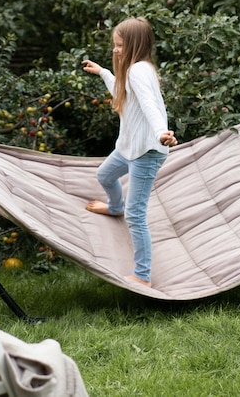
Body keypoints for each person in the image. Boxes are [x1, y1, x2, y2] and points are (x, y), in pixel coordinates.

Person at [82, 17, 177, 288]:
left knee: (135, 215)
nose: (116, 50)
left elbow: (150, 107)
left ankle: (143, 276)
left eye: (120, 45)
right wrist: (102, 72)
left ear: (135, 45)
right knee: (105, 176)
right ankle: (114, 207)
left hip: (147, 151)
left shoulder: (138, 71)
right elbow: (120, 92)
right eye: (115, 45)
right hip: (130, 148)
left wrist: (161, 132)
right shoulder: (134, 70)